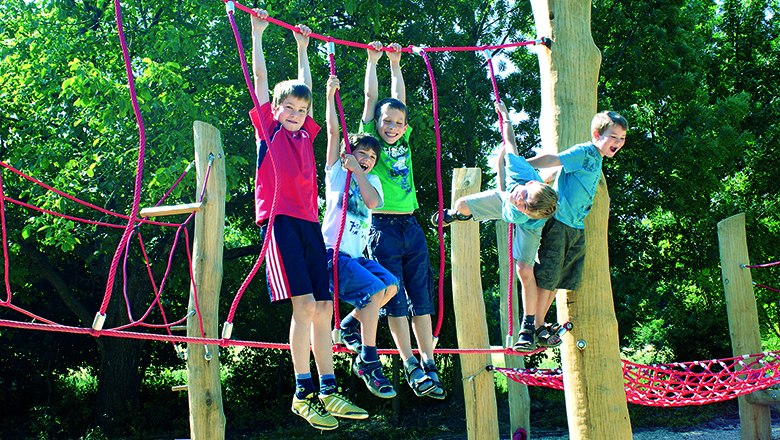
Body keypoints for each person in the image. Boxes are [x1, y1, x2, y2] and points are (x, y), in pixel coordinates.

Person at [249, 11, 367, 431]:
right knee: (302, 307)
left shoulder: (306, 134)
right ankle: (303, 393)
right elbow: (261, 78)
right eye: (289, 107)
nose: (297, 113)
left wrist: (304, 48)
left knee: (322, 307)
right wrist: (258, 33)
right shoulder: (270, 130)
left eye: (301, 109)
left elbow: (309, 88)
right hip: (279, 222)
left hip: (309, 224)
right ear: (276, 110)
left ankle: (329, 387)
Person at [344, 41, 445, 400]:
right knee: (396, 299)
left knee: (421, 296)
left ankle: (428, 361)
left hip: (411, 225)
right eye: (387, 121)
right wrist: (374, 61)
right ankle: (409, 363)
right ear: (377, 122)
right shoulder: (374, 143)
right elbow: (374, 98)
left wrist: (396, 64)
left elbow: (398, 98)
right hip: (383, 226)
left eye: (399, 123)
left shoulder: (405, 138)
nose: (393, 126)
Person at [431, 100, 559, 352]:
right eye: (523, 196)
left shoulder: (533, 215)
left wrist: (528, 210)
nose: (519, 199)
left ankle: (528, 326)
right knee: (463, 203)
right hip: (502, 203)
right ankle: (459, 215)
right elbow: (510, 142)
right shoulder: (520, 172)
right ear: (529, 184)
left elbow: (528, 205)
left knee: (524, 270)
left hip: (528, 226)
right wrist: (506, 117)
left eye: (523, 204)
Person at [322, 75, 398, 399]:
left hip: (357, 257)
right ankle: (368, 359)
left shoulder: (372, 183)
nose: (366, 158)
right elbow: (333, 132)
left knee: (391, 286)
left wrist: (360, 171)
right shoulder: (337, 173)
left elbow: (370, 202)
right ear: (348, 154)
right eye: (361, 153)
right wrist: (329, 97)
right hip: (331, 255)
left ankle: (350, 325)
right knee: (372, 290)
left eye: (371, 157)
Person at [526, 110, 628, 347]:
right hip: (560, 223)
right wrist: (523, 163)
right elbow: (555, 160)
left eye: (622, 138)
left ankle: (541, 324)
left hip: (576, 227)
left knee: (559, 278)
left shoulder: (598, 158)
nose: (618, 143)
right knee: (548, 275)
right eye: (613, 136)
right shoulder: (584, 152)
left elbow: (555, 173)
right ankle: (536, 325)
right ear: (597, 134)